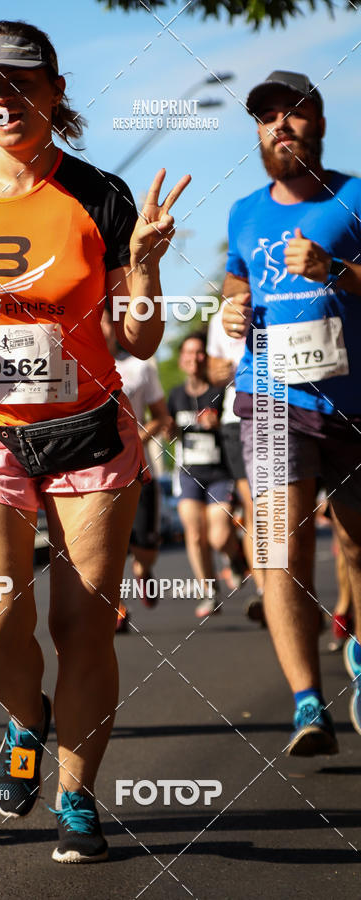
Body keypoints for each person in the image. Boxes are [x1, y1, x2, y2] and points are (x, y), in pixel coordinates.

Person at [0, 20, 190, 863]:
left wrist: (142, 266)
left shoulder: (100, 195)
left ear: (55, 91)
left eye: (21, 83)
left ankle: (76, 796)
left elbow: (140, 342)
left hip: (89, 434)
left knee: (84, 627)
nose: (3, 99)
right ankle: (26, 717)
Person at [222, 71, 361, 755]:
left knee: (359, 545)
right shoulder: (245, 211)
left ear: (320, 122)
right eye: (267, 115)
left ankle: (356, 647)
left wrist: (337, 270)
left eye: (294, 112)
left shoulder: (356, 196)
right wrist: (229, 302)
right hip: (272, 397)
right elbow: (235, 272)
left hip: (355, 400)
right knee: (282, 547)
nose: (280, 124)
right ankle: (309, 701)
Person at [166, 332, 246, 618]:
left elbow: (236, 425)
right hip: (189, 473)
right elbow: (169, 429)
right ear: (181, 359)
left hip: (220, 473)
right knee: (194, 533)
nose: (194, 358)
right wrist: (167, 430)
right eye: (188, 352)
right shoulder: (175, 395)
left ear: (207, 357)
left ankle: (236, 557)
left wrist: (218, 425)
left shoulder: (220, 391)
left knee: (219, 536)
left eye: (200, 352)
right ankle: (209, 593)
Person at [100, 305, 169, 629]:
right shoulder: (75, 366)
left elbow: (162, 417)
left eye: (105, 320)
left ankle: (143, 570)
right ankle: (116, 608)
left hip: (137, 466)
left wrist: (136, 436)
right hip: (95, 470)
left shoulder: (140, 367)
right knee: (104, 546)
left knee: (144, 549)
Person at [207, 303, 265, 622]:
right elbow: (215, 369)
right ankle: (266, 591)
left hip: (289, 411)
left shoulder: (286, 298)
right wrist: (233, 367)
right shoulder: (223, 315)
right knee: (256, 505)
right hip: (239, 416)